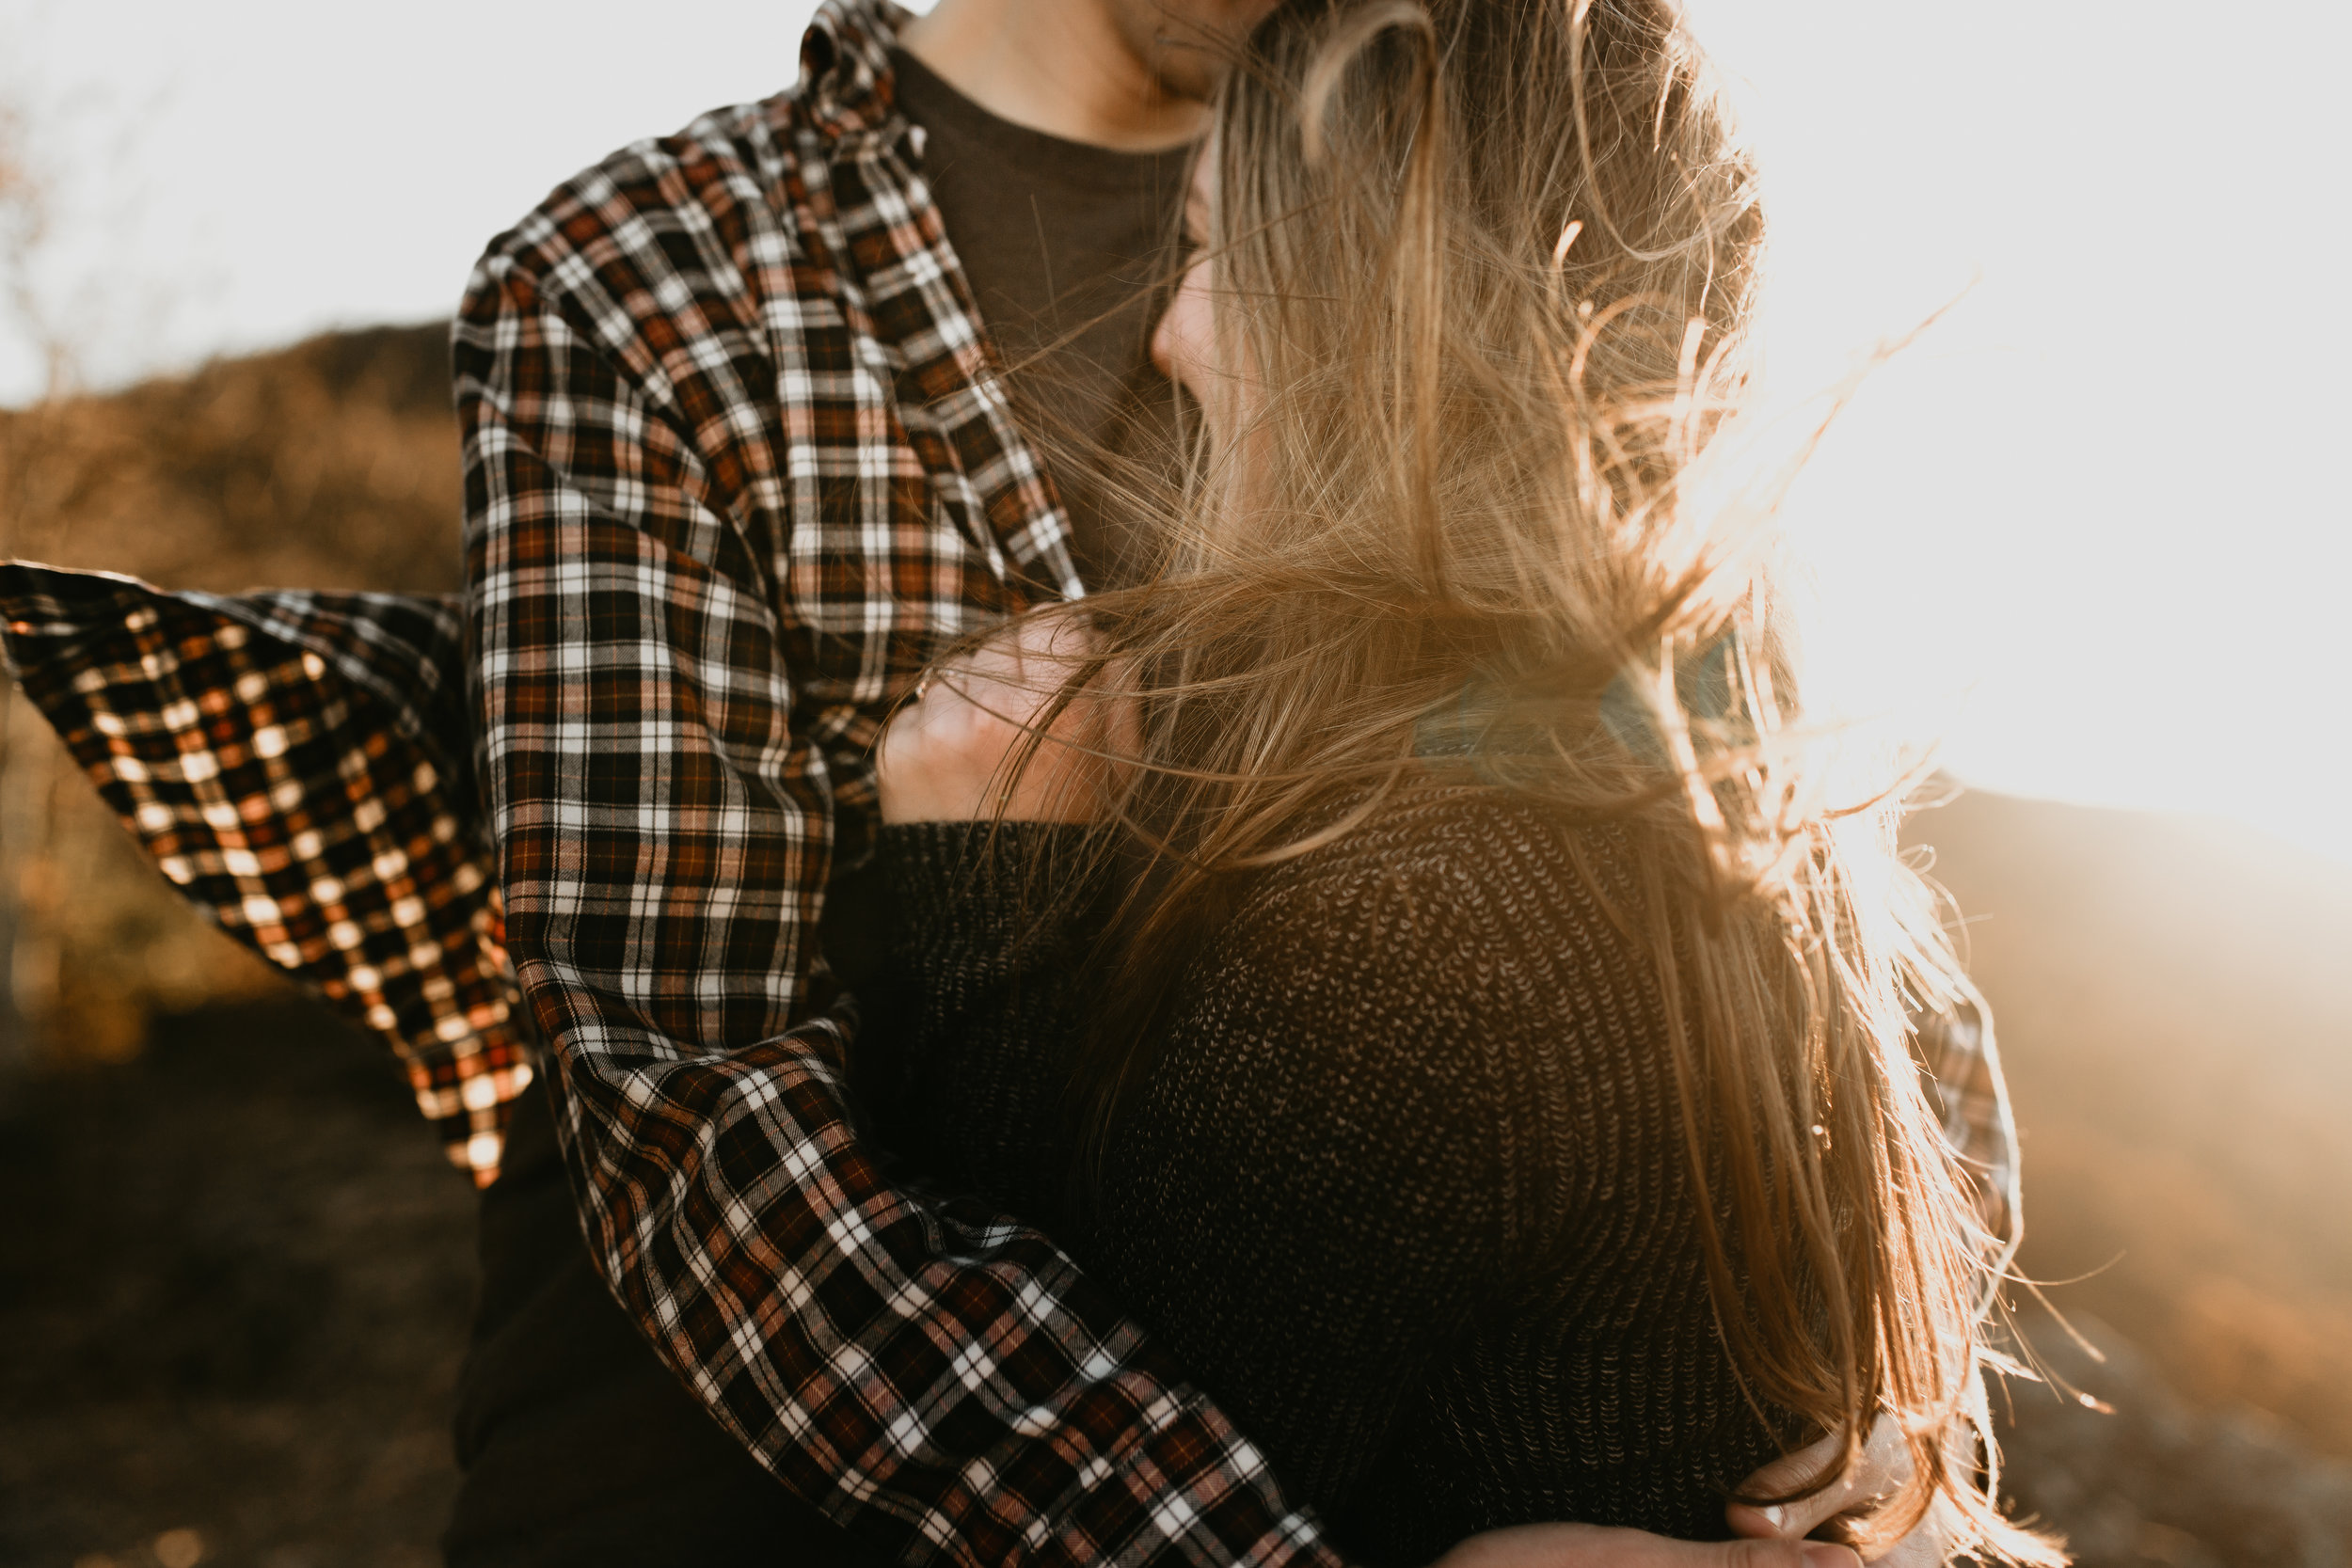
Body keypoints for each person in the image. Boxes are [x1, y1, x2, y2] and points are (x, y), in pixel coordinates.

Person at [0, 0, 2017, 1561]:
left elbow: (1779, 859)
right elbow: (695, 1101)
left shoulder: (1464, 147)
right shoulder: (653, 279)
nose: (1170, 344)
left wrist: (1873, 1409)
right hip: (714, 1512)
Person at [866, 0, 2061, 1562]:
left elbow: (1073, 1450)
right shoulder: (1718, 806)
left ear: (1379, 316)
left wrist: (990, 903)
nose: (1172, 337)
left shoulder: (1425, 942)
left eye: (1221, 253)